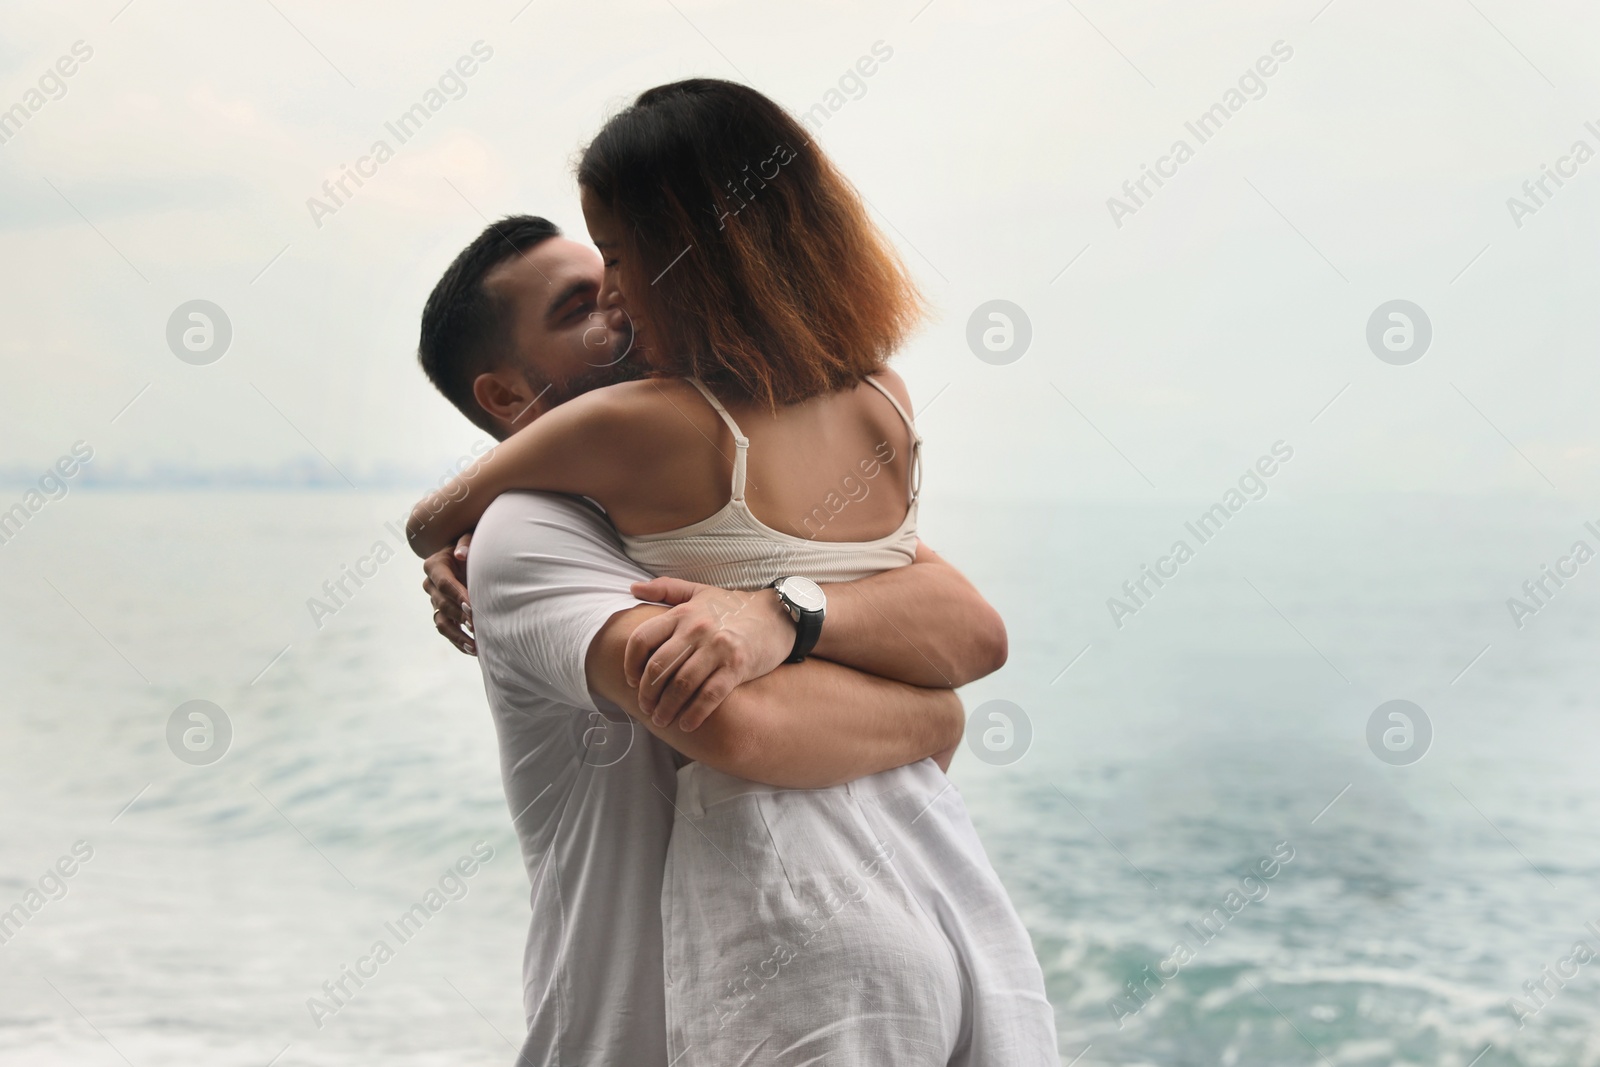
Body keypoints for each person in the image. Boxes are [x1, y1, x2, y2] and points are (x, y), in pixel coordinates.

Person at [410, 80, 1057, 1065]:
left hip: (868, 950)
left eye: (619, 264)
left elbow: (962, 622)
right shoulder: (530, 531)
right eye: (585, 302)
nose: (622, 305)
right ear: (505, 393)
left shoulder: (719, 482)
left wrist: (778, 615)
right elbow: (727, 713)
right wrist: (934, 716)